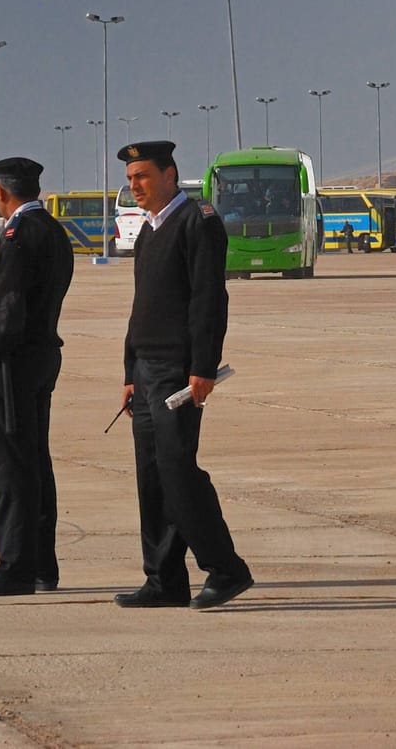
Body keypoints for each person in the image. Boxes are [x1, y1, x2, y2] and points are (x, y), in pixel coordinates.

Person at [111, 140, 253, 610]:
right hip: (147, 369)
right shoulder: (149, 231)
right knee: (150, 477)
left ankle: (226, 568)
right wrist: (130, 370)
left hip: (178, 369)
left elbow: (209, 299)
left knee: (177, 471)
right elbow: (141, 309)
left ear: (170, 174)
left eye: (144, 176)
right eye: (131, 179)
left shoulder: (198, 222)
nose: (136, 186)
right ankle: (164, 579)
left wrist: (202, 366)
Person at [0, 157, 74, 597]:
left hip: (10, 365)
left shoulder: (17, 233)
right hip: (41, 355)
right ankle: (42, 564)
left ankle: (16, 567)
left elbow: (8, 314)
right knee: (33, 463)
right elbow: (26, 292)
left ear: (2, 194)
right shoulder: (52, 231)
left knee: (8, 465)